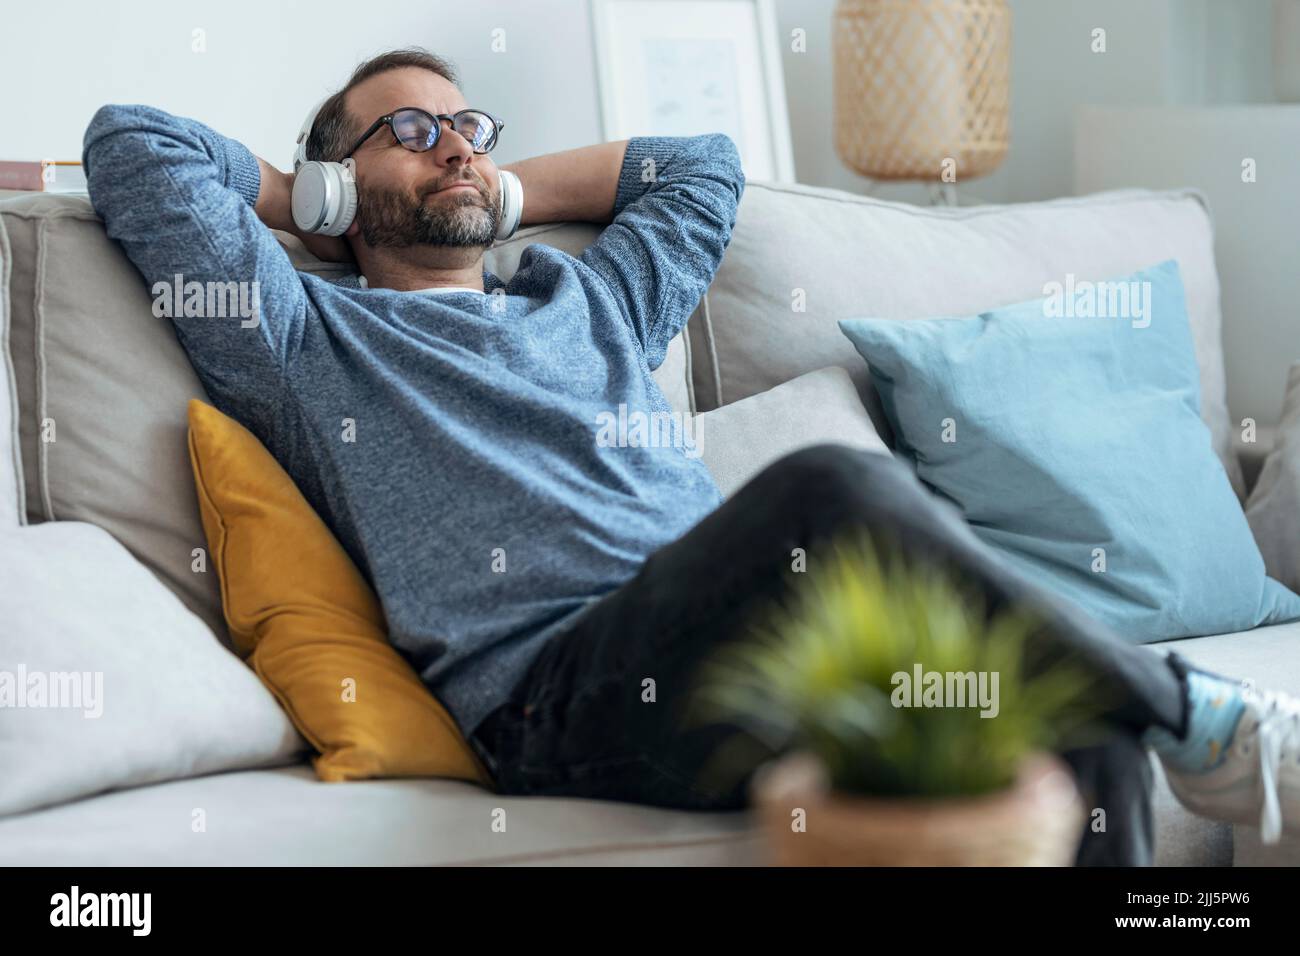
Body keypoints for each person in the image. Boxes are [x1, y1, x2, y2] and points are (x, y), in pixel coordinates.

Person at [83, 47, 1298, 865]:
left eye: (467, 127)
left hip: (760, 646)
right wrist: (308, 195)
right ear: (344, 183)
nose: (453, 146)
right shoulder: (311, 338)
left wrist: (497, 190)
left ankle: (1161, 743)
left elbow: (701, 168)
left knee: (1050, 713)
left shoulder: (587, 296)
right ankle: (1201, 711)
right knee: (831, 486)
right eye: (407, 131)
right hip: (561, 691)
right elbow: (132, 142)